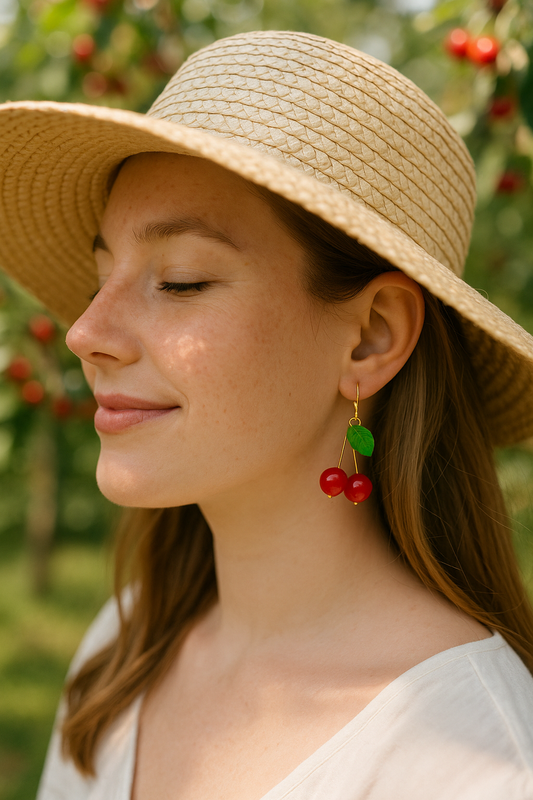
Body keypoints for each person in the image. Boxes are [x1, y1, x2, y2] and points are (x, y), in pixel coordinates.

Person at [0, 29, 532, 800]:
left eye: (179, 281)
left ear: (371, 337)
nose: (85, 334)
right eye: (99, 278)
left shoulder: (476, 763)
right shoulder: (124, 648)